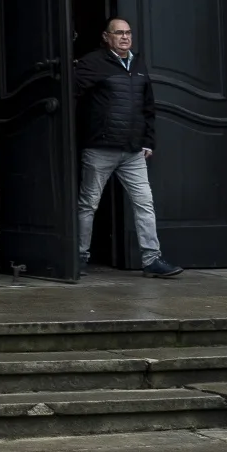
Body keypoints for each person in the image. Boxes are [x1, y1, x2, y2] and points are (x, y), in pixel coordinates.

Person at [74, 17, 183, 278]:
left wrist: (148, 141)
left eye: (128, 33)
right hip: (100, 148)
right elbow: (71, 94)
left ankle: (152, 260)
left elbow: (148, 106)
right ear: (106, 36)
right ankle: (78, 257)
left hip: (133, 150)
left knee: (145, 203)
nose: (125, 37)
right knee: (88, 203)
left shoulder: (139, 64)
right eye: (119, 33)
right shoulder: (93, 63)